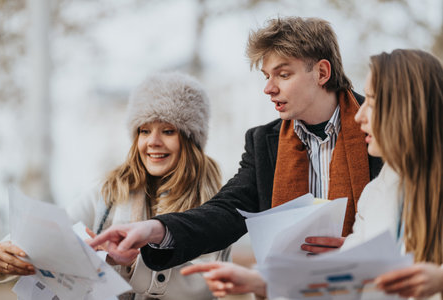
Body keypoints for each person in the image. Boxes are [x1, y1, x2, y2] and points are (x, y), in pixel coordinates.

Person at [89, 16, 383, 270]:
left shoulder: (383, 132)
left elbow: (412, 218)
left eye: (283, 74)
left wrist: (360, 249)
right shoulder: (263, 142)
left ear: (321, 72)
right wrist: (154, 228)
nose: (269, 88)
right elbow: (226, 212)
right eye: (267, 76)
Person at [181, 49, 443, 300]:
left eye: (373, 101)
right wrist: (259, 282)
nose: (361, 115)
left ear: (409, 107)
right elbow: (346, 276)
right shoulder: (377, 193)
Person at [0, 72, 230, 299]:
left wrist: (131, 262)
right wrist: (5, 253)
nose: (153, 142)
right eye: (144, 131)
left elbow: (203, 287)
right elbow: (55, 230)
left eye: (168, 131)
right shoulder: (110, 193)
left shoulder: (214, 205)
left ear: (191, 140)